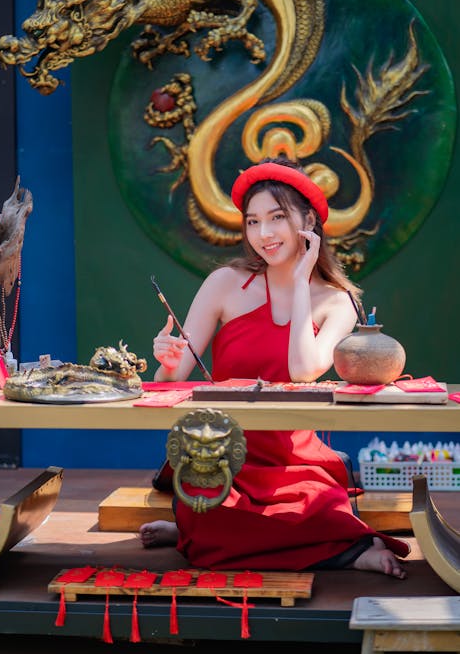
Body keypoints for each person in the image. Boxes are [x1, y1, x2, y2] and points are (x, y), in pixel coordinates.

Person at [140, 156, 410, 577]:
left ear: (307, 221)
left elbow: (304, 370)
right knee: (208, 509)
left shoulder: (338, 302)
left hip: (292, 457)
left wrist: (301, 282)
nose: (263, 234)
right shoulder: (224, 284)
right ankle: (191, 530)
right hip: (222, 451)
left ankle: (348, 551)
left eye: (277, 218)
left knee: (318, 509)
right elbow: (172, 380)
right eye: (252, 222)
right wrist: (167, 361)